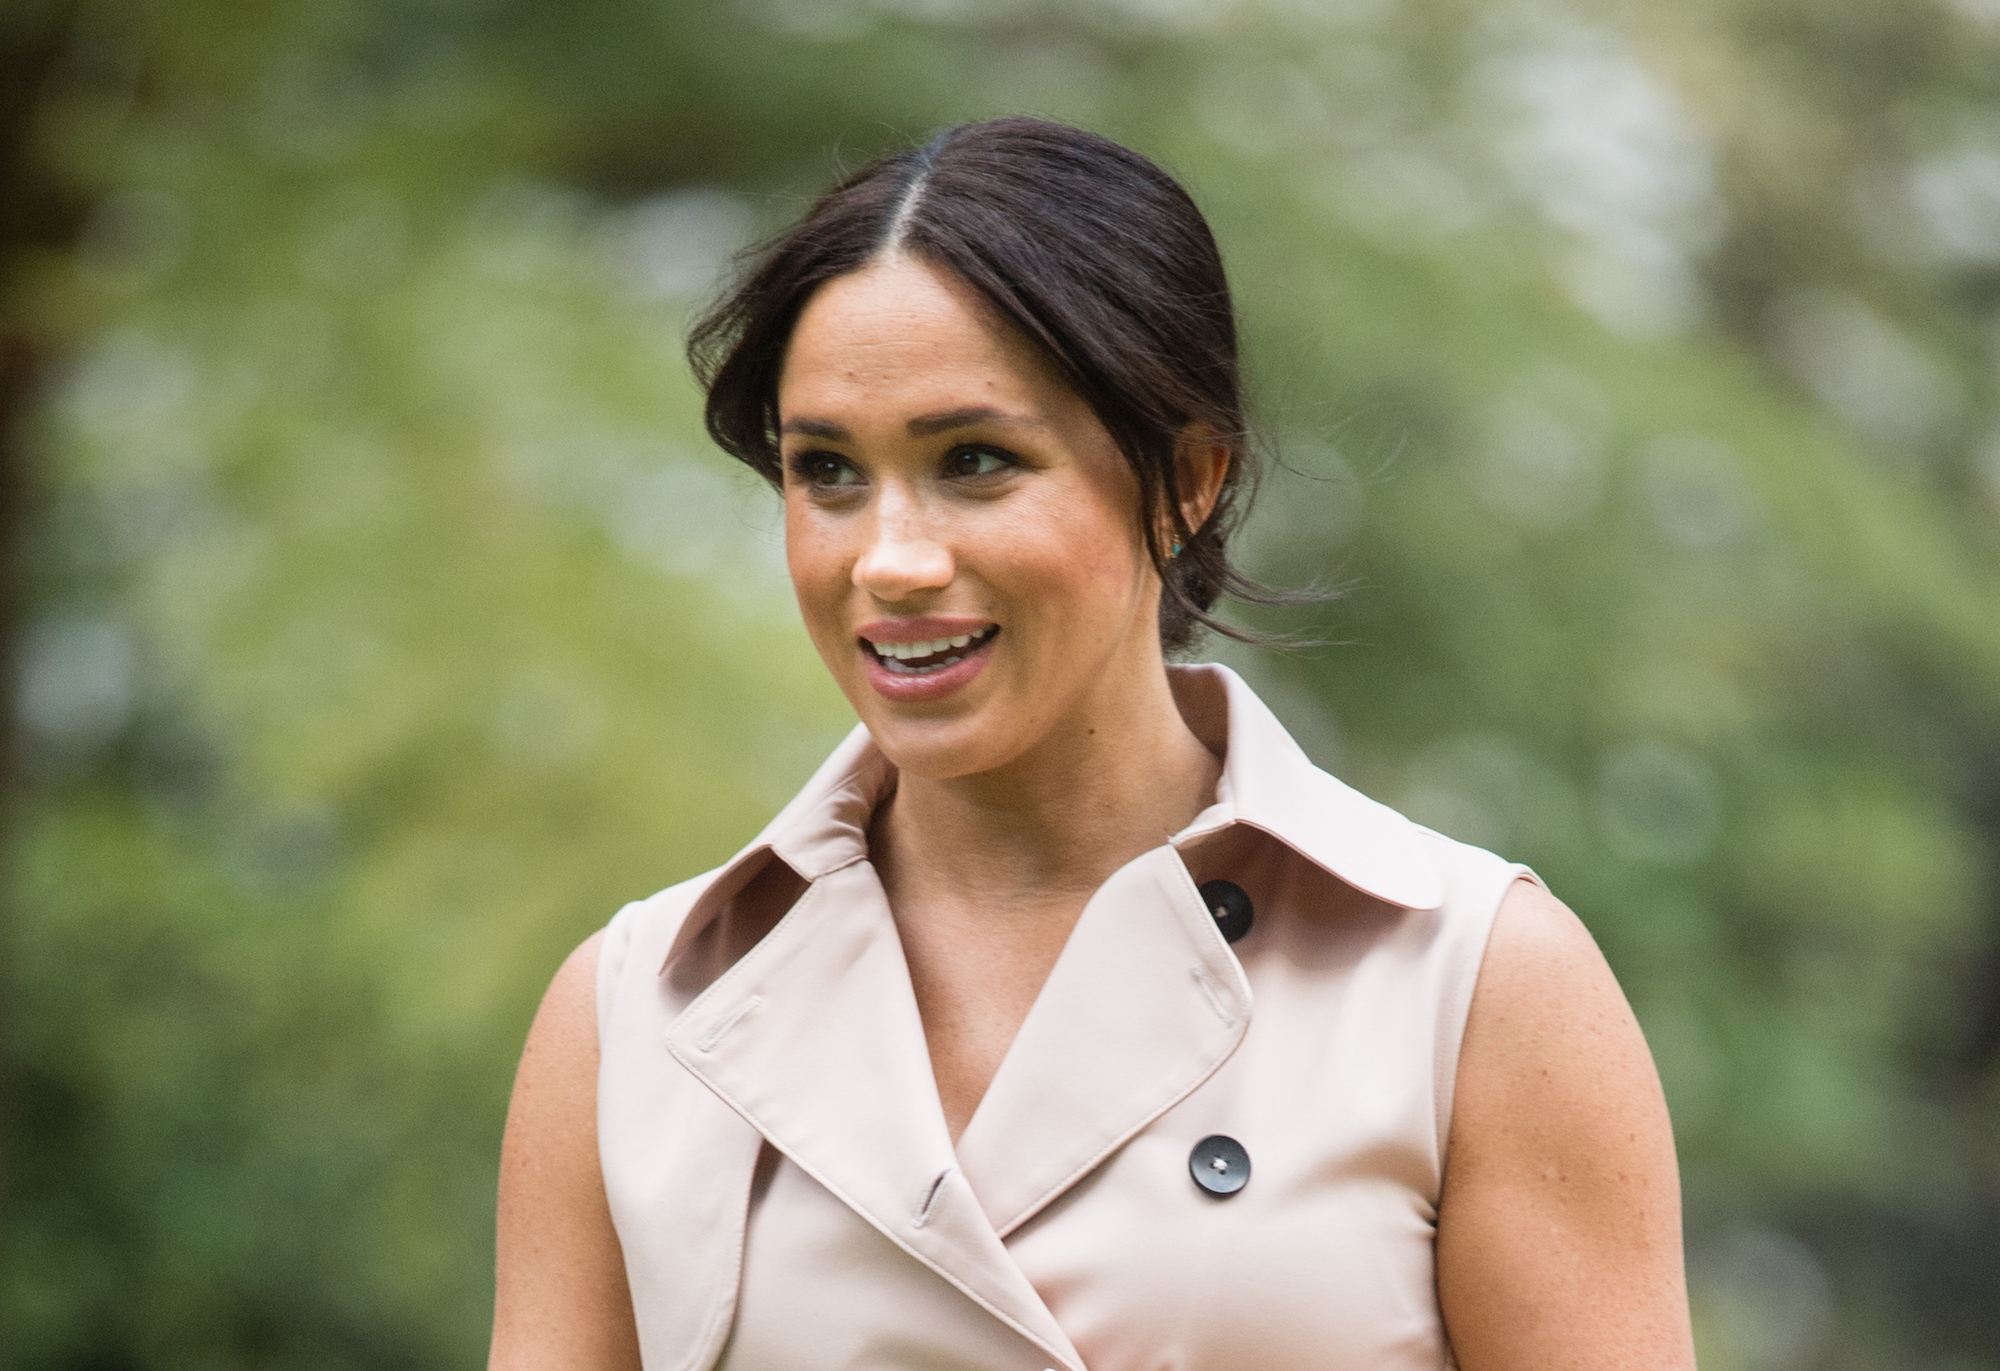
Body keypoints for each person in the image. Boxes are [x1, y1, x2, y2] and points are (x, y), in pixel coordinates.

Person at [489, 116, 1695, 1371]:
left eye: (974, 462)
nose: (889, 560)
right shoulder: (636, 1009)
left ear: (1183, 480)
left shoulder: (1472, 981)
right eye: (827, 473)